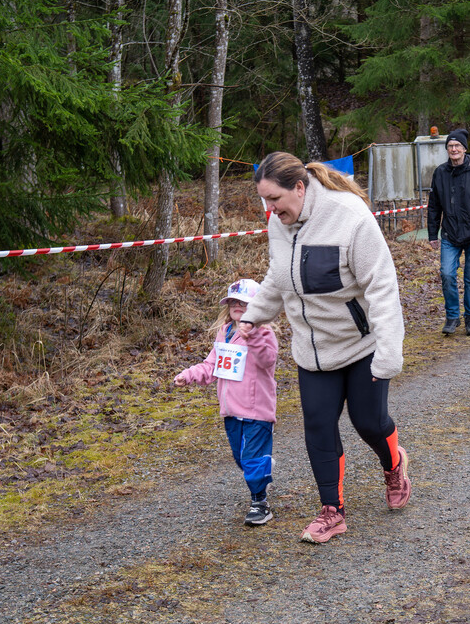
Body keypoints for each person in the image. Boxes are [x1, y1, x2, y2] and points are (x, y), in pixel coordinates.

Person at [240, 151, 410, 544]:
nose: (270, 209)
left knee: (369, 422)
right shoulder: (279, 223)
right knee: (318, 425)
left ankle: (394, 465)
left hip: (360, 345)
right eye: (264, 200)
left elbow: (382, 286)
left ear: (299, 188)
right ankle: (332, 512)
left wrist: (388, 353)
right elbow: (279, 275)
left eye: (274, 199)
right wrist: (254, 315)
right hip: (312, 350)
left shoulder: (349, 216)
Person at [174, 279, 279, 526]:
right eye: (233, 301)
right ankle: (261, 470)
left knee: (252, 460)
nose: (237, 306)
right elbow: (212, 365)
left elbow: (267, 359)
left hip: (257, 410)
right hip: (231, 411)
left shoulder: (264, 333)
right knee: (241, 459)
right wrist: (189, 375)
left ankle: (260, 503)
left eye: (243, 302)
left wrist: (252, 335)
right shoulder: (225, 332)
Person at [427, 128, 470, 336]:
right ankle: (452, 317)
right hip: (450, 234)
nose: (454, 149)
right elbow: (434, 206)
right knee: (447, 274)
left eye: (457, 145)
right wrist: (433, 234)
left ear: (464, 149)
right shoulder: (440, 173)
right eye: (450, 146)